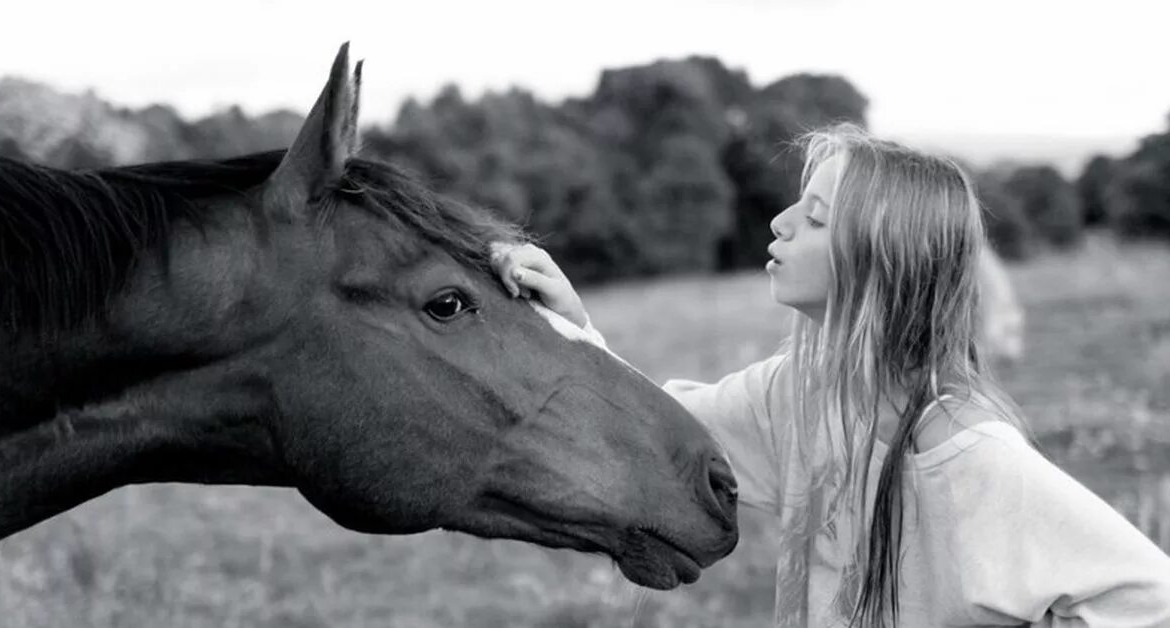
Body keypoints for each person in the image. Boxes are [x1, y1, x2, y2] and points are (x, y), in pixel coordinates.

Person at [490, 124, 1170, 627]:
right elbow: (663, 433)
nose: (781, 223)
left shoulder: (973, 462)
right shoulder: (800, 396)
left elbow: (1147, 598)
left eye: (815, 217)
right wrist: (572, 324)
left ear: (879, 261)